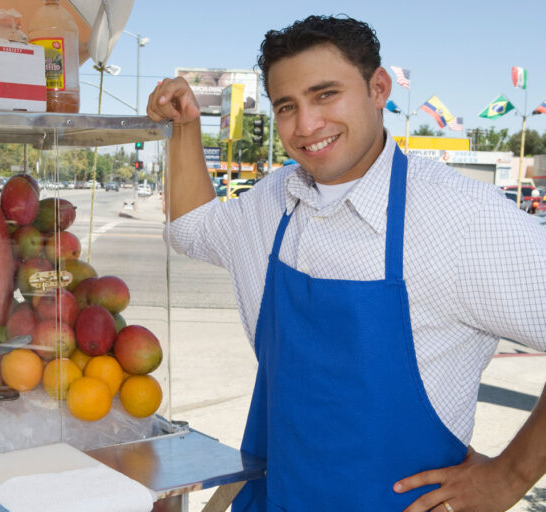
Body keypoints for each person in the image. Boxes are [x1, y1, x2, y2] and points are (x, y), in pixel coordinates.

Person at [147, 15, 546, 511]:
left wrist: (509, 477)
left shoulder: (461, 216)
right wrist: (184, 129)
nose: (307, 125)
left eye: (325, 94)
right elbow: (193, 229)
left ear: (378, 88)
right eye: (286, 106)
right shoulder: (273, 201)